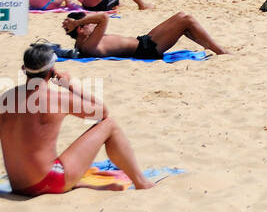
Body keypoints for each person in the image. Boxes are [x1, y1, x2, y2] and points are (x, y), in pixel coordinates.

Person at [0, 44, 155, 195]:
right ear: (52, 71)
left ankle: (75, 184)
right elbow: (103, 112)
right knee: (110, 125)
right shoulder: (58, 99)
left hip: (18, 185)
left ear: (24, 70)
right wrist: (69, 86)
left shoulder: (6, 98)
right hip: (48, 181)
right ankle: (142, 182)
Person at [61, 9, 228, 58]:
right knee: (187, 19)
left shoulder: (84, 42)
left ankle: (214, 48)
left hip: (144, 41)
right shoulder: (88, 45)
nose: (91, 25)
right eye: (87, 24)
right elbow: (104, 17)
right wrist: (77, 22)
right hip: (146, 50)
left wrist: (76, 23)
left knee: (181, 18)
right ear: (80, 29)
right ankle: (220, 51)